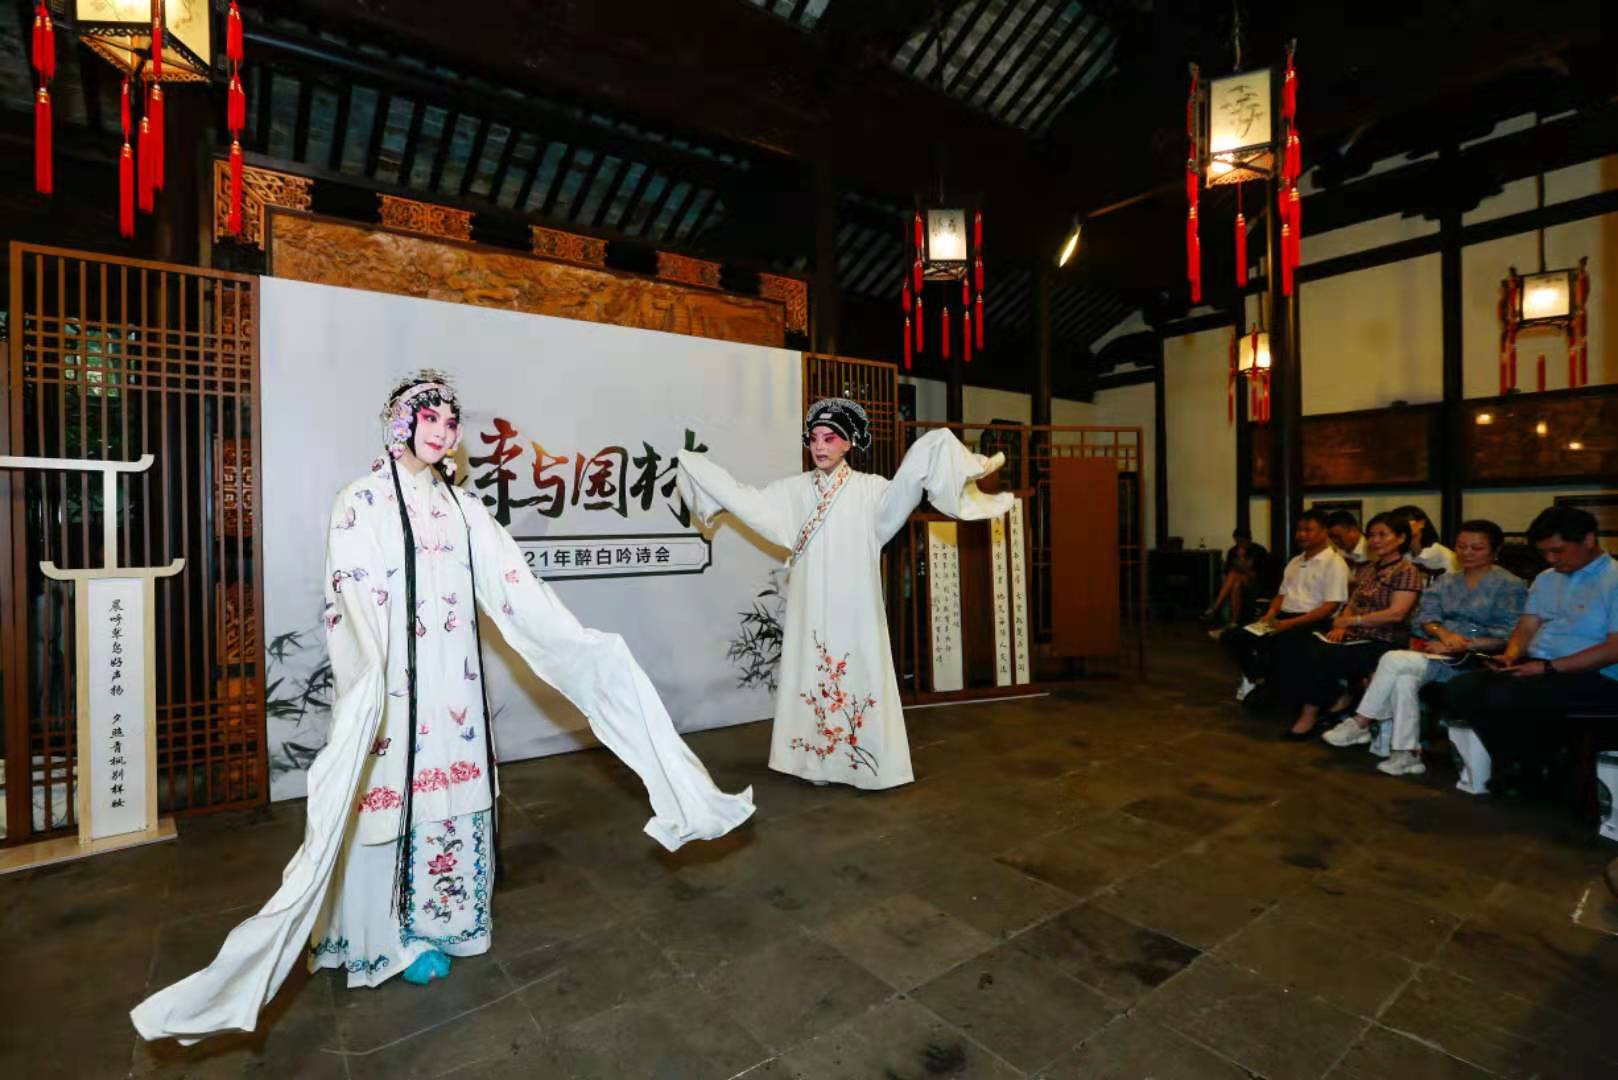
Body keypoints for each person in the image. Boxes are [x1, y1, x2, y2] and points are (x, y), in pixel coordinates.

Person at [132, 371, 755, 1043]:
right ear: (400, 424)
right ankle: (385, 940)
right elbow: (350, 594)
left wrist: (580, 646)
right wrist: (374, 676)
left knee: (452, 791)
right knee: (389, 795)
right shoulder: (361, 501)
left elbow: (516, 585)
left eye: (450, 422)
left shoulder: (462, 508)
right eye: (428, 417)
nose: (442, 430)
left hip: (452, 686)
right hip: (394, 688)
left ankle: (447, 923)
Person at [677, 399, 1013, 789]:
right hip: (810, 601)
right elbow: (748, 500)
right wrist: (700, 470)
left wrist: (935, 447)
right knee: (813, 670)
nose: (820, 446)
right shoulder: (793, 491)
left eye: (830, 438)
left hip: (855, 603)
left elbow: (908, 484)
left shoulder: (872, 491)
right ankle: (814, 762)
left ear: (849, 443)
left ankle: (861, 764)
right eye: (814, 439)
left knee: (856, 672)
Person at [1321, 519, 1526, 776]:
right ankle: (1406, 753)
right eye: (1461, 546)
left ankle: (1361, 721)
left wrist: (1464, 642)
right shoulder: (1448, 581)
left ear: (1495, 551)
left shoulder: (1510, 585)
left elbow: (1510, 633)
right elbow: (1423, 618)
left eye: (1477, 548)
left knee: (1394, 659)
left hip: (1476, 659)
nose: (1467, 553)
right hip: (1439, 652)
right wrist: (1443, 634)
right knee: (1403, 679)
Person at [1439, 506, 1618, 789]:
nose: (1551, 559)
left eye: (1558, 551)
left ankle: (1533, 764)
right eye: (1544, 553)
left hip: (1597, 675)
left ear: (1588, 540)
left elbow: (1613, 649)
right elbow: (1527, 625)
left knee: (1510, 695)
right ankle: (1524, 762)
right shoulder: (1547, 578)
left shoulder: (1613, 579)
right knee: (1462, 687)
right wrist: (1511, 655)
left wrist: (1549, 667)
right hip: (1541, 665)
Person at [1269, 512, 1425, 738]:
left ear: (1401, 538)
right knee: (1302, 645)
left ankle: (1311, 714)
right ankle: (1325, 700)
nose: (1375, 540)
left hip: (1384, 639)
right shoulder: (1370, 569)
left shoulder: (1407, 571)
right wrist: (1342, 626)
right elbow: (1352, 602)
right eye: (1371, 535)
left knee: (1319, 654)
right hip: (1356, 635)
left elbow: (1396, 613)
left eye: (1382, 535)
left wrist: (1353, 621)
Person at [1218, 509, 1349, 702]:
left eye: (1308, 530)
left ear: (1324, 532)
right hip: (1283, 618)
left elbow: (1329, 607)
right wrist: (1270, 614)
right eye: (1299, 530)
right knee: (1233, 636)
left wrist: (1288, 624)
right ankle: (1255, 676)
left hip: (1312, 623)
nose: (1301, 534)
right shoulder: (1295, 561)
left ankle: (1273, 685)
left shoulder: (1334, 563)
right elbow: (1281, 595)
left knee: (1282, 643)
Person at [1202, 528, 1269, 630]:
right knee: (1236, 582)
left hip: (1254, 582)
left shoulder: (1259, 551)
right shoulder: (1232, 551)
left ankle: (1215, 607)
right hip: (1237, 581)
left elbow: (1259, 576)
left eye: (1242, 541)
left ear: (1249, 539)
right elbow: (1227, 572)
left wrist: (1242, 560)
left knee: (1234, 574)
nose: (1239, 544)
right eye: (1237, 541)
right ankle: (1234, 622)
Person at [1394, 504, 1460, 577]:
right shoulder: (1403, 555)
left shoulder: (1442, 555)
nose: (1400, 528)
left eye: (1405, 522)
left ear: (1421, 523)